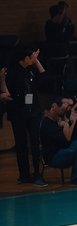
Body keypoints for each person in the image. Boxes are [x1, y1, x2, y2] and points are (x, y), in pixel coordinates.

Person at [7, 44, 47, 186]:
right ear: (25, 58)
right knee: (21, 144)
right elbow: (7, 92)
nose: (34, 60)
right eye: (32, 58)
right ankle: (24, 175)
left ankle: (37, 173)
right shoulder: (12, 72)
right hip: (18, 113)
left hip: (33, 112)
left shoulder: (30, 70)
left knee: (35, 143)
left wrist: (36, 61)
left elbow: (43, 76)